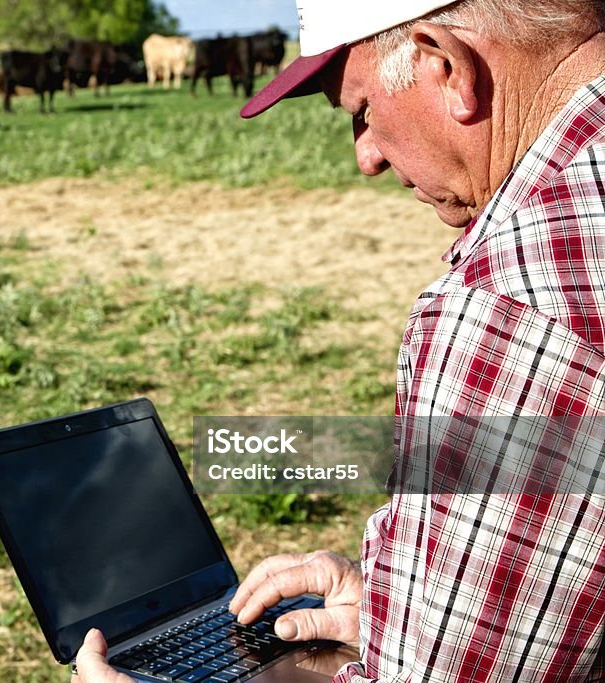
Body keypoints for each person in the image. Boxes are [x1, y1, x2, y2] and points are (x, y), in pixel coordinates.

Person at [73, 0, 605, 680]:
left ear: (448, 66)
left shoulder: (510, 306)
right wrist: (411, 607)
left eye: (360, 111)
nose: (367, 156)